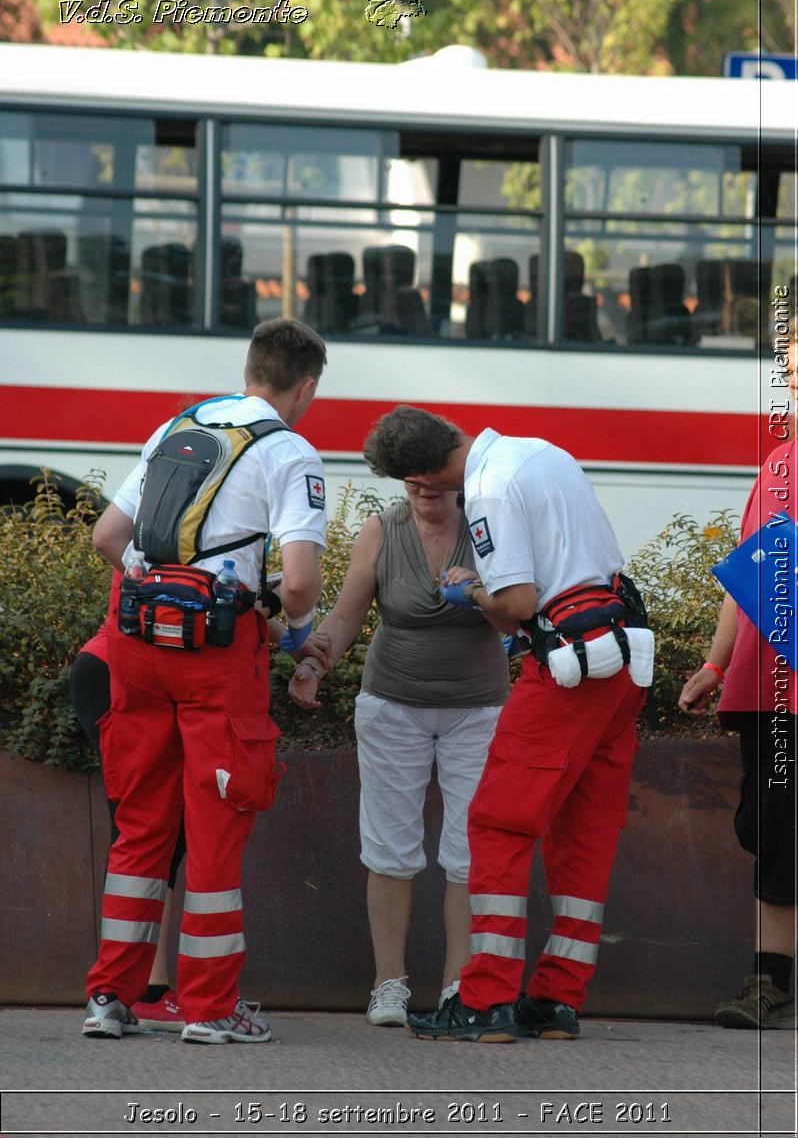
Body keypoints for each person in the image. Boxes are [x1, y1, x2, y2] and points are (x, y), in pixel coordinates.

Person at [361, 406, 651, 1042]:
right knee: (585, 829)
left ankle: (485, 999)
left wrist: (469, 590)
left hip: (567, 671)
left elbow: (519, 602)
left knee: (495, 823)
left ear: (421, 469)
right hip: (624, 659)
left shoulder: (488, 489)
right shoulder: (543, 451)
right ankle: (555, 1000)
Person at [82, 318, 327, 1044]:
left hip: (136, 645)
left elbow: (106, 537)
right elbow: (305, 586)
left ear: (250, 368)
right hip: (218, 658)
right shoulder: (290, 451)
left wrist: (155, 587)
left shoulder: (178, 425)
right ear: (305, 387)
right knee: (215, 830)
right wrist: (277, 615)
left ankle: (109, 999)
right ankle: (211, 1011)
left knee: (140, 830)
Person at [287, 482, 510, 1026]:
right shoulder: (382, 530)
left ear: (457, 476)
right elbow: (345, 617)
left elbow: (516, 619)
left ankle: (460, 987)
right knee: (389, 846)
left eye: (435, 476)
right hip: (392, 704)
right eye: (413, 478)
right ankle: (389, 984)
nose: (424, 488)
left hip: (478, 708)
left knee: (469, 850)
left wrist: (481, 592)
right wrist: (314, 664)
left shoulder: (489, 528)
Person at [678, 323, 797, 1030]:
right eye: (791, 367)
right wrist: (717, 662)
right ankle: (772, 979)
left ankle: (769, 979)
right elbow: (746, 571)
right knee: (770, 828)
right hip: (765, 684)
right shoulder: (780, 462)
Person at [70, 586, 188, 1032]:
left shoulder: (154, 521)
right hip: (122, 677)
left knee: (156, 833)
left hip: (118, 671)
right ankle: (142, 992)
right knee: (148, 833)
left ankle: (131, 992)